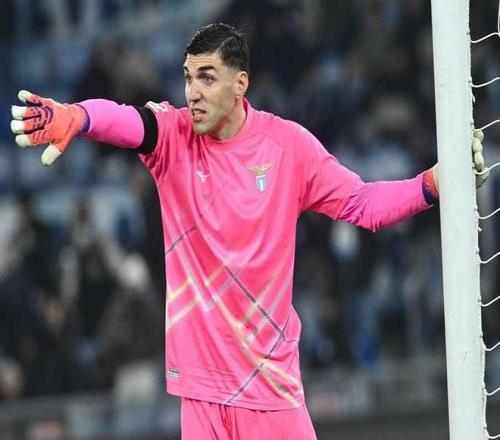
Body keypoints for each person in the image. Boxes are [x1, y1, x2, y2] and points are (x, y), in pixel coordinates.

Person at [10, 23, 487, 440]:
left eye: (207, 77)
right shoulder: (173, 137)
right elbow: (127, 120)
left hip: (271, 389)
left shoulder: (288, 147)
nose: (192, 92)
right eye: (188, 77)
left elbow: (364, 205)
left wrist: (431, 184)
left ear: (240, 84)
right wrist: (79, 116)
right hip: (201, 393)